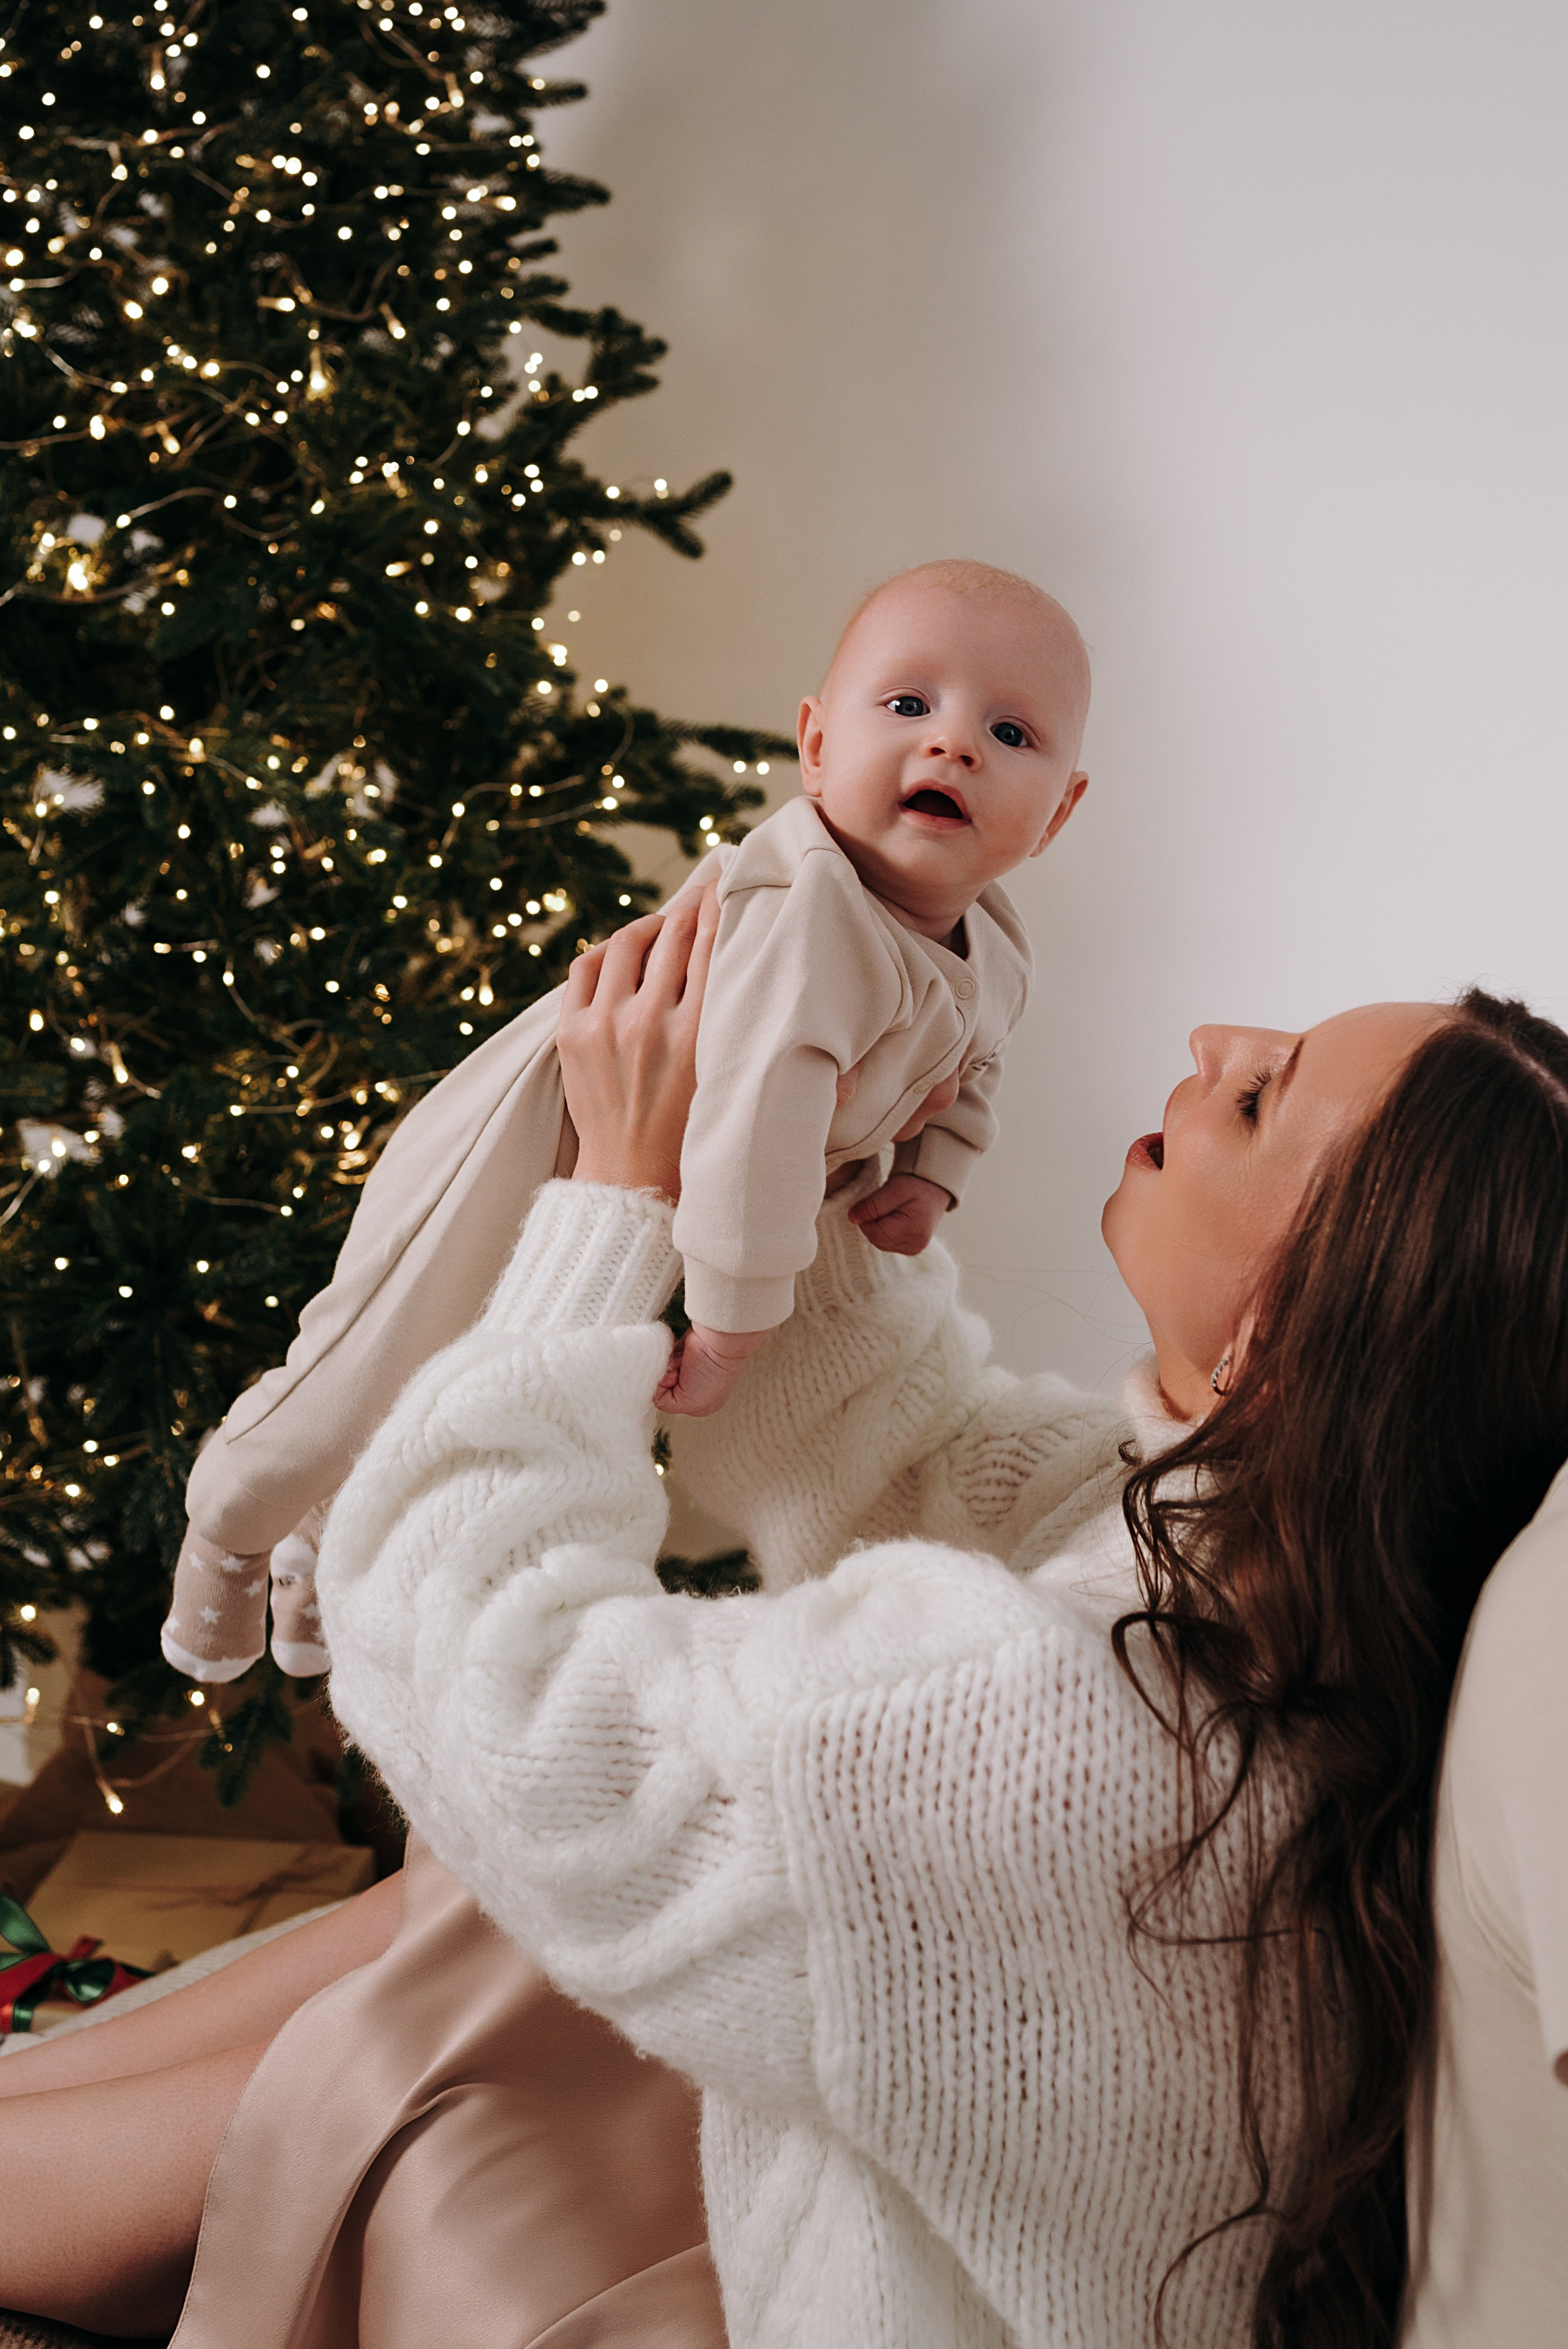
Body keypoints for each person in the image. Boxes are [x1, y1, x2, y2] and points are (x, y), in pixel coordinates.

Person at [4, 900, 1564, 2348]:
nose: (1215, 1040)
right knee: (497, 1925)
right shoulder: (1272, 1575)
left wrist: (609, 1196)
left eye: (1257, 1099)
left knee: (507, 1901)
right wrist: (796, 1164)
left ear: (1283, 1339)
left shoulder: (1100, 1722)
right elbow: (891, 1452)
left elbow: (493, 1682)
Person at [160, 559, 1090, 1685]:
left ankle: (325, 1550)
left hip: (653, 1187)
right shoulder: (810, 922)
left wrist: (936, 1169)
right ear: (814, 747)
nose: (954, 746)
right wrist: (732, 1330)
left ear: (1060, 813)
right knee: (382, 1356)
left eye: (1010, 732)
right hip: (539, 1129)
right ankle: (232, 1525)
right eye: (907, 706)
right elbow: (753, 1129)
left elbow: (975, 1062)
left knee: (480, 1395)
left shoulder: (991, 936)